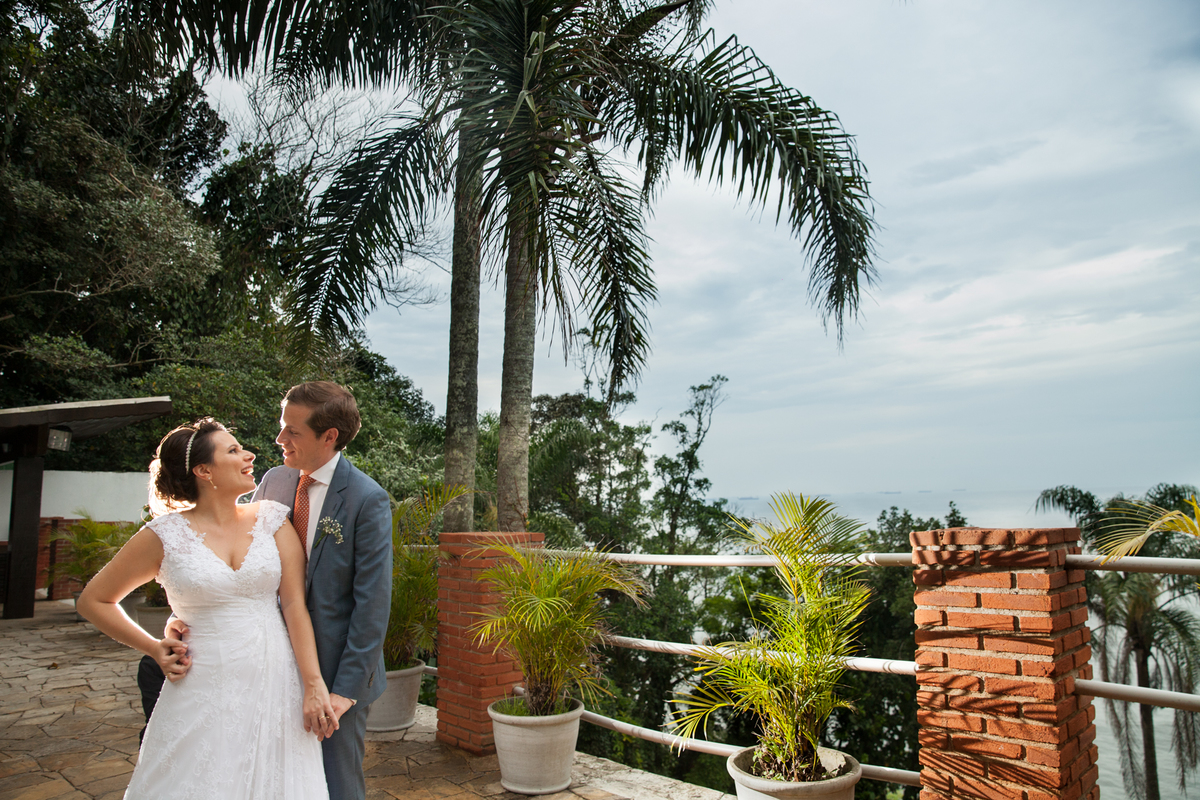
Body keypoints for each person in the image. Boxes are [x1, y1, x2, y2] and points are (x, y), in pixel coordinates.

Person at [78, 417, 337, 800]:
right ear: (204, 471)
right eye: (233, 450)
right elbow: (93, 600)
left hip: (275, 682)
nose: (249, 455)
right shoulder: (163, 535)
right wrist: (154, 647)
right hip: (202, 685)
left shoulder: (271, 520)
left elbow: (295, 606)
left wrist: (313, 685)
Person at [252, 381, 393, 800]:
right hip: (269, 660)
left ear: (329, 436)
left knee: (336, 782)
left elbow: (373, 603)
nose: (280, 439)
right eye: (282, 427)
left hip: (335, 673)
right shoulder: (274, 482)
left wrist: (344, 692)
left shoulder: (367, 499)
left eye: (292, 431)